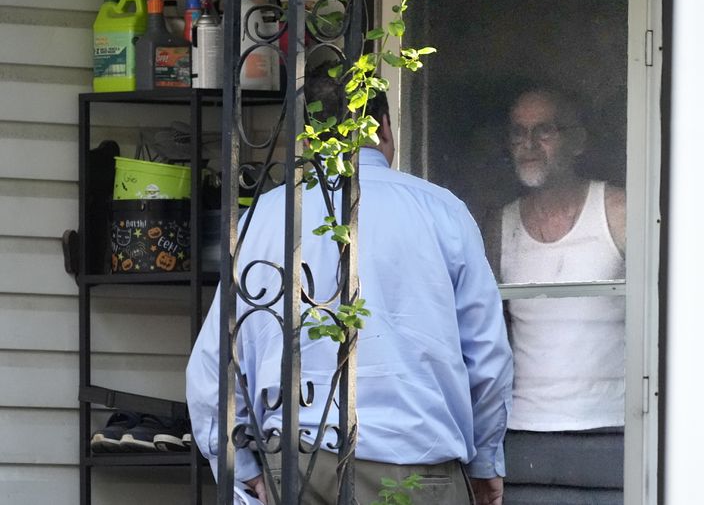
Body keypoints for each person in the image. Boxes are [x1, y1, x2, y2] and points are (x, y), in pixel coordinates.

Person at [186, 68, 513, 505]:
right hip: (420, 467)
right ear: (382, 126)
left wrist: (243, 471)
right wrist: (484, 461)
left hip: (298, 467)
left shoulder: (262, 219)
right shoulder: (442, 213)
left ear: (307, 137)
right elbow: (487, 357)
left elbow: (213, 372)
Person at [498, 87, 626, 501]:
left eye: (544, 131)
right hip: (522, 432)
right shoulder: (499, 225)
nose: (529, 144)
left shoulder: (620, 211)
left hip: (611, 428)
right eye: (518, 133)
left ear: (577, 141)